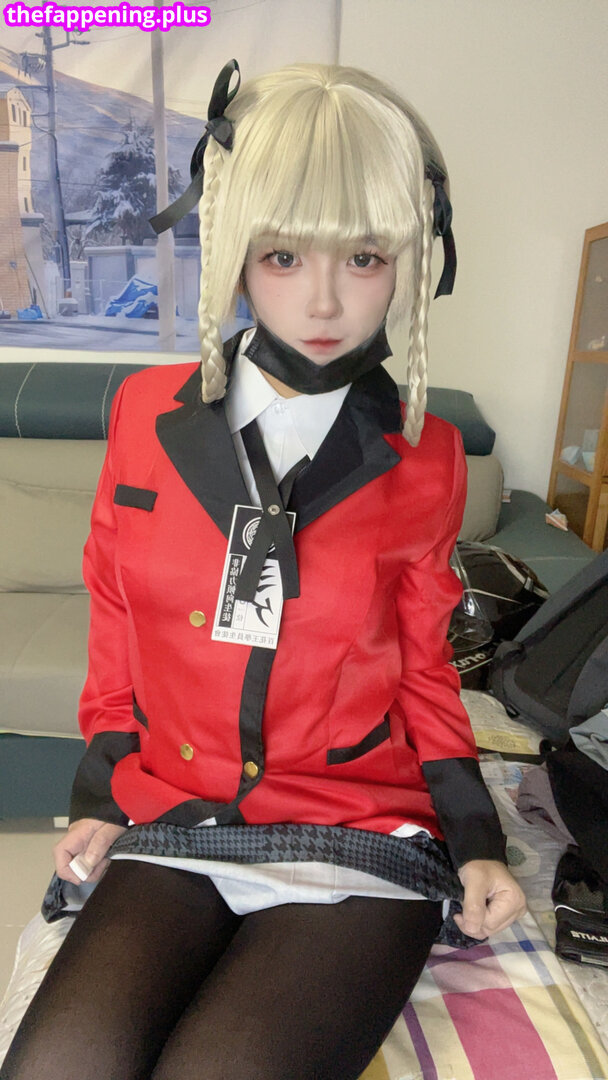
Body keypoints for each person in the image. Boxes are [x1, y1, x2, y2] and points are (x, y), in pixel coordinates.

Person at [1, 60, 526, 1080]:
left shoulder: (425, 456)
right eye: (283, 255)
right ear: (235, 248)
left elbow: (423, 669)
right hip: (181, 812)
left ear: (413, 256)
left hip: (353, 825)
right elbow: (118, 619)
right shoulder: (143, 415)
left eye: (364, 257)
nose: (323, 299)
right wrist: (101, 792)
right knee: (59, 1066)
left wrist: (473, 836)